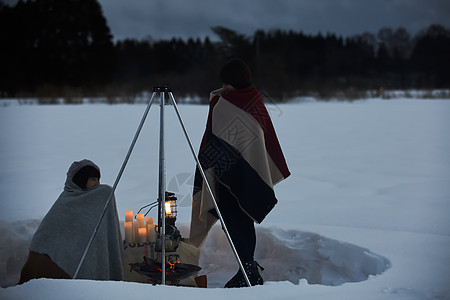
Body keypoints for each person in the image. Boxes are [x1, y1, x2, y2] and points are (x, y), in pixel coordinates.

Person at [189, 58, 290, 288]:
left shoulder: (241, 103)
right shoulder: (228, 101)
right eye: (223, 84)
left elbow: (257, 140)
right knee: (235, 222)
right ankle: (248, 269)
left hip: (240, 175)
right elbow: (215, 137)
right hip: (225, 174)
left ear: (237, 82)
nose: (224, 88)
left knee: (239, 222)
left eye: (228, 84)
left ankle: (248, 271)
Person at [19, 159, 123, 284]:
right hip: (55, 262)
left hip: (91, 258)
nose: (97, 183)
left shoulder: (101, 195)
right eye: (93, 179)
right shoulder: (66, 200)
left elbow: (107, 228)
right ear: (81, 180)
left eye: (98, 179)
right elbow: (47, 233)